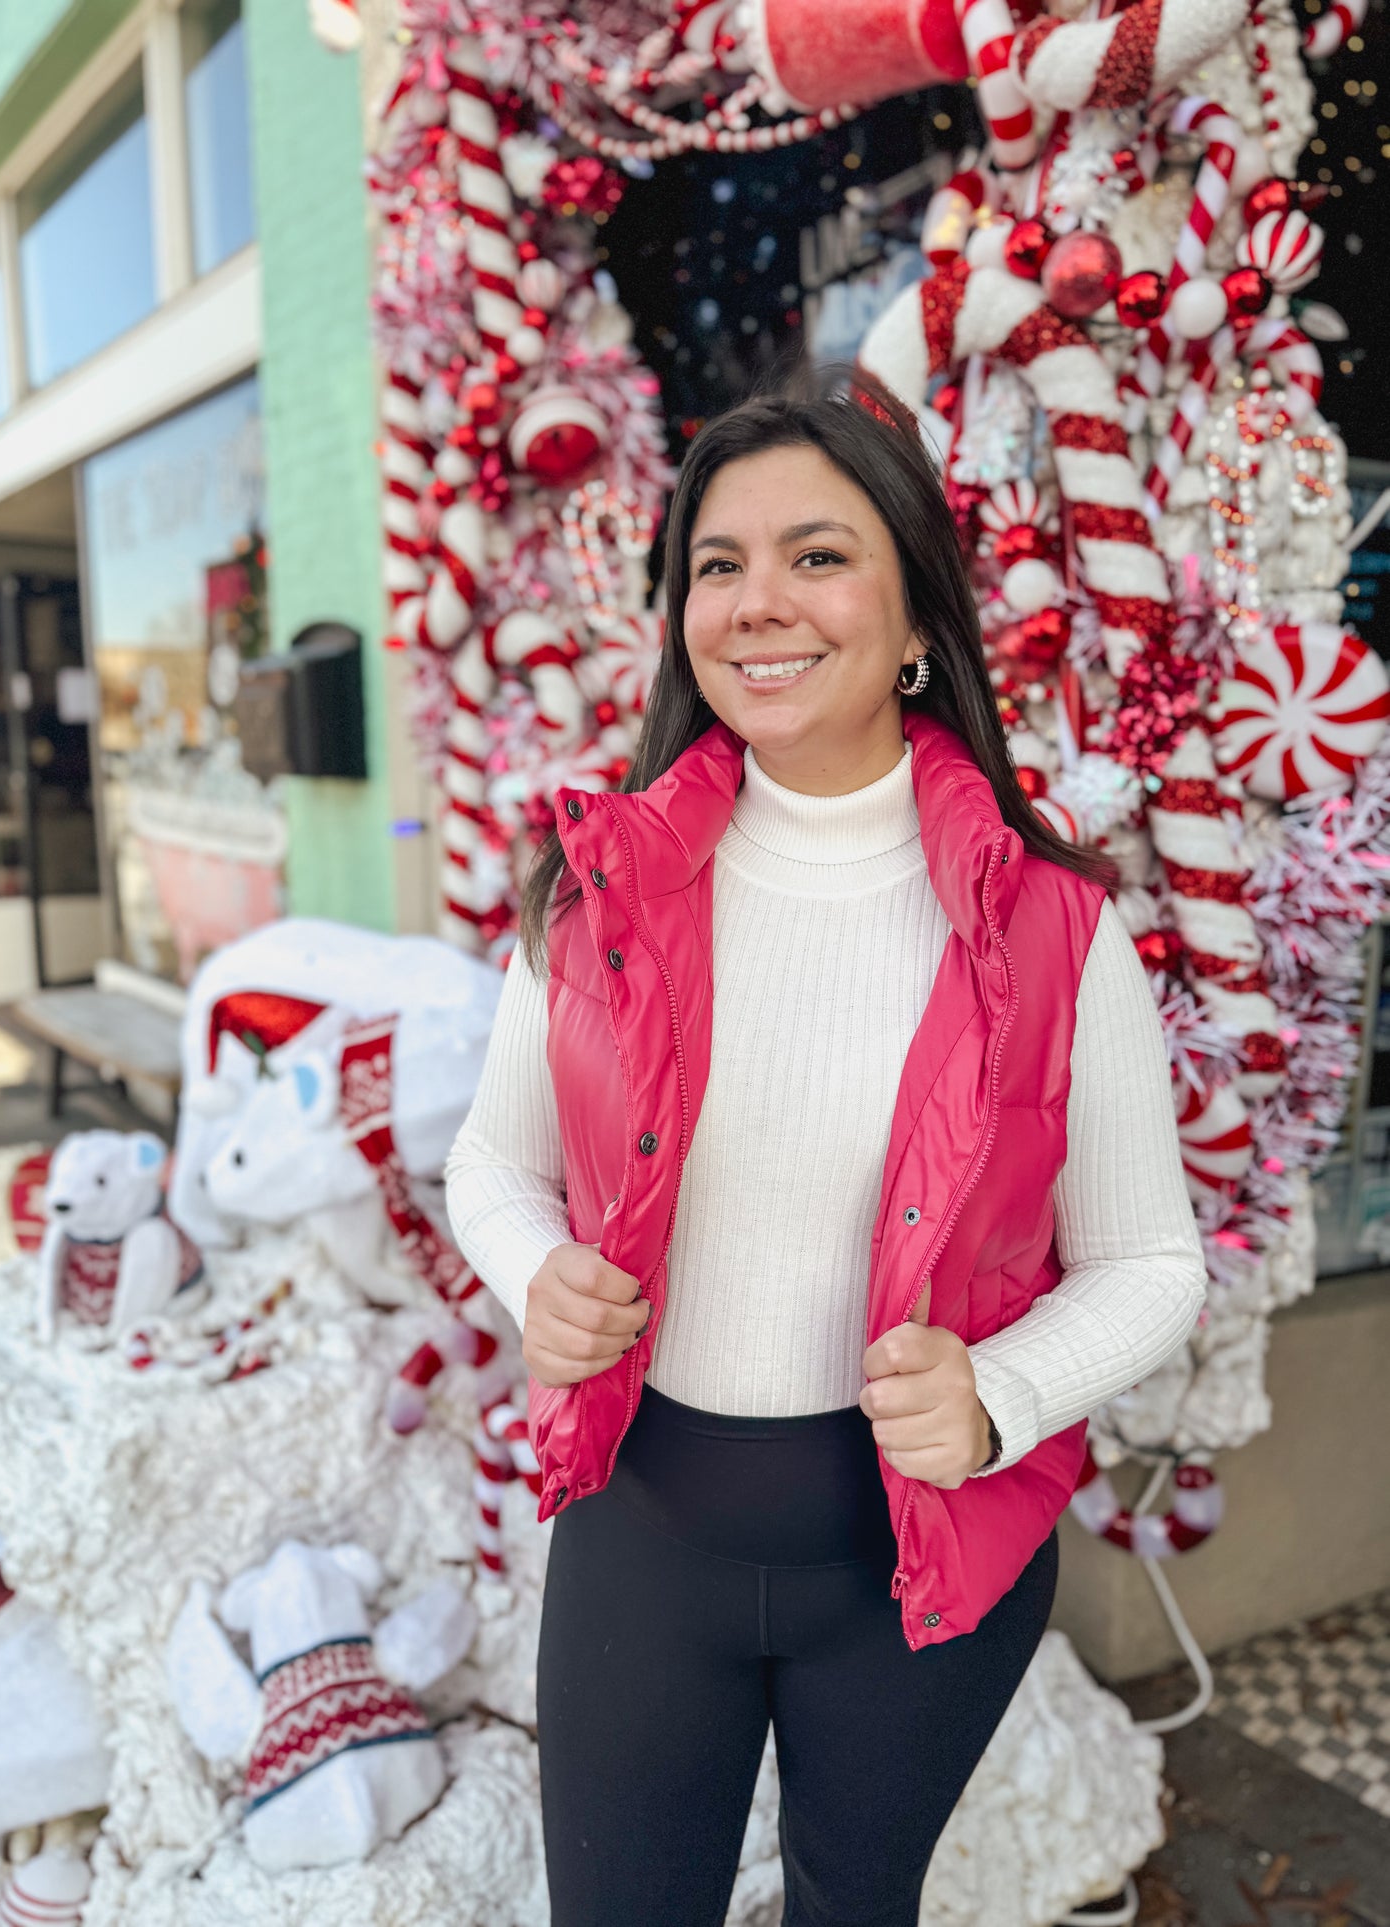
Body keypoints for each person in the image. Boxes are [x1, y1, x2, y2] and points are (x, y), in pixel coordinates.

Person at [444, 370, 1207, 1927]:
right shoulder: (593, 896)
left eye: (815, 554)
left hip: (909, 1561)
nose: (755, 603)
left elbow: (1148, 1263)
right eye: (714, 565)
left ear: (915, 613)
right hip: (644, 1542)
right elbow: (492, 1167)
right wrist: (537, 1273)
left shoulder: (1055, 932)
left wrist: (1003, 1392)